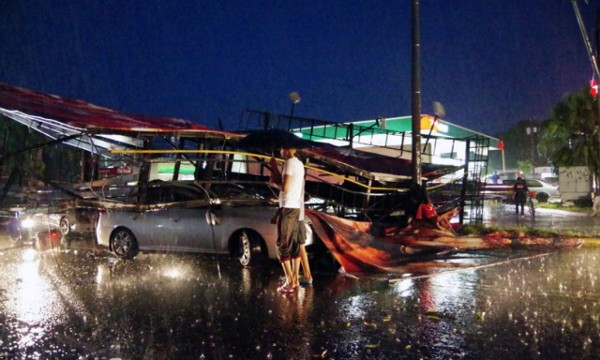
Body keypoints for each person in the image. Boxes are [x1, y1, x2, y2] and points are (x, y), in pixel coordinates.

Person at [268, 147, 305, 293]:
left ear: (286, 149)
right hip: (294, 207)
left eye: (282, 149)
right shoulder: (299, 164)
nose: (280, 151)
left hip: (287, 208)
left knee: (282, 245)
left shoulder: (289, 163)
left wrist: (273, 185)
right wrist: (273, 166)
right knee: (294, 244)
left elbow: (285, 187)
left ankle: (290, 281)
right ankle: (294, 280)